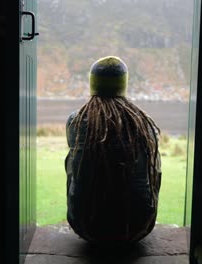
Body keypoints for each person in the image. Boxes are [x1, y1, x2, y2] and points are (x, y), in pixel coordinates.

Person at [65, 56, 162, 244]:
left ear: (92, 84)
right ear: (123, 85)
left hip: (86, 227)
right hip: (138, 227)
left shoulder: (76, 121)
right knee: (153, 163)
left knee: (73, 160)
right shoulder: (144, 123)